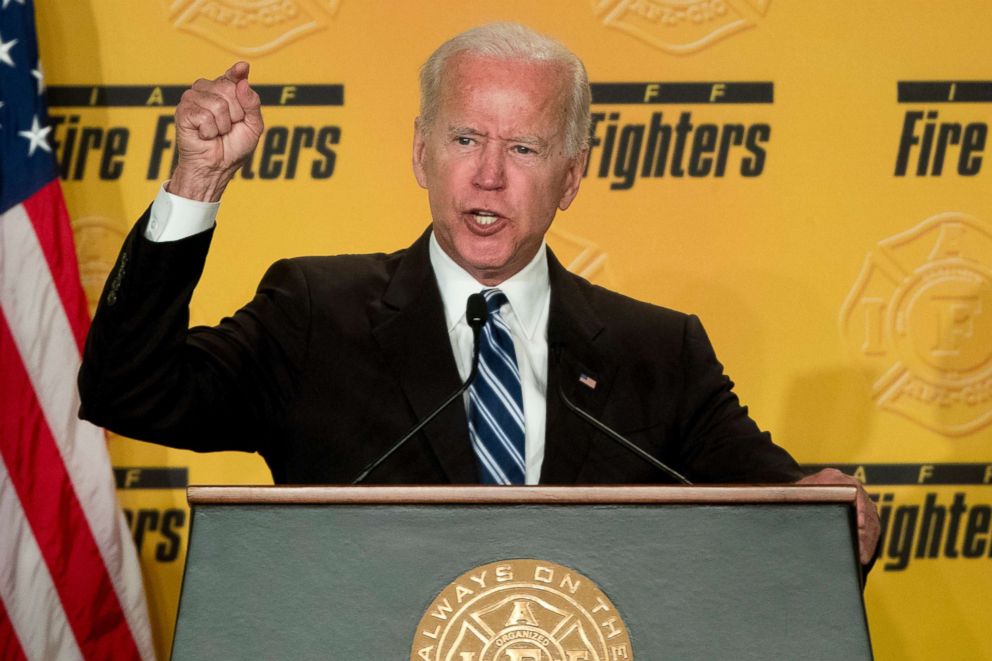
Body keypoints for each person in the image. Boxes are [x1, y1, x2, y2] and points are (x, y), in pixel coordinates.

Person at [78, 23, 879, 566]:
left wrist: (831, 514)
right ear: (422, 152)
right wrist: (198, 179)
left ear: (571, 177)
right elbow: (130, 390)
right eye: (465, 139)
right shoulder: (315, 312)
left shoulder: (657, 353)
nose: (488, 174)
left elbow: (793, 525)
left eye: (523, 147)